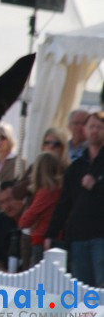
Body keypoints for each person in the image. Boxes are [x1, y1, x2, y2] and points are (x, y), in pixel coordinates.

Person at [45, 110, 104, 287]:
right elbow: (64, 204)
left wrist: (97, 186)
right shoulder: (76, 167)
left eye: (100, 127)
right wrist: (51, 233)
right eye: (91, 126)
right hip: (78, 236)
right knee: (82, 290)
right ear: (84, 130)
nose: (95, 131)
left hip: (101, 236)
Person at [17, 152, 64, 266]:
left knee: (39, 280)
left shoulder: (47, 192)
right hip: (55, 238)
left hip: (42, 240)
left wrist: (24, 221)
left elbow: (26, 219)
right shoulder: (59, 190)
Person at [0, 182, 26, 271]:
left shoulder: (33, 217)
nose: (7, 206)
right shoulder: (0, 220)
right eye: (2, 202)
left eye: (10, 199)